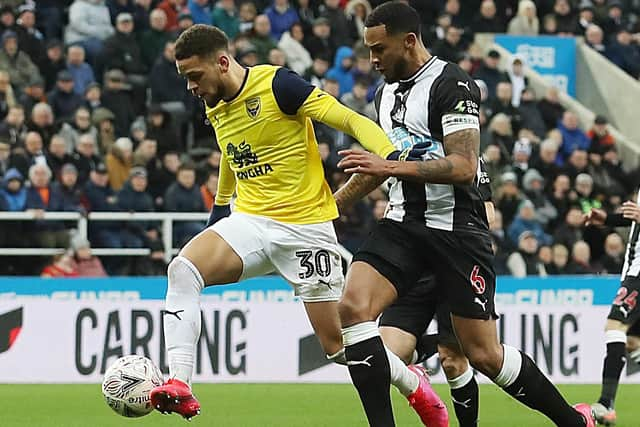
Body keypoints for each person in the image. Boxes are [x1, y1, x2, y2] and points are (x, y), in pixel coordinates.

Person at [149, 24, 436, 422]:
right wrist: (220, 210)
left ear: (222, 62)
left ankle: (412, 382)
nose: (191, 87)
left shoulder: (278, 86)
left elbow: (350, 120)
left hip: (305, 229)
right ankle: (180, 382)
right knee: (182, 270)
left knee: (338, 348)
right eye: (185, 79)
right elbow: (232, 153)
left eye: (195, 76)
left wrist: (390, 155)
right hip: (250, 220)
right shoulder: (213, 102)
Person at [332, 3, 595, 427]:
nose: (373, 60)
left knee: (483, 356)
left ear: (409, 41)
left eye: (379, 50)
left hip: (457, 232)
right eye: (369, 51)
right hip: (402, 225)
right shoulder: (382, 96)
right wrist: (325, 208)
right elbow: (376, 166)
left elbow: (463, 166)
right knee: (353, 310)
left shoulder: (452, 83)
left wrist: (391, 166)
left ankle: (571, 421)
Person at [586, 198, 640, 426]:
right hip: (632, 271)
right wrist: (607, 219)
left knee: (614, 326)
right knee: (632, 341)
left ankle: (606, 402)